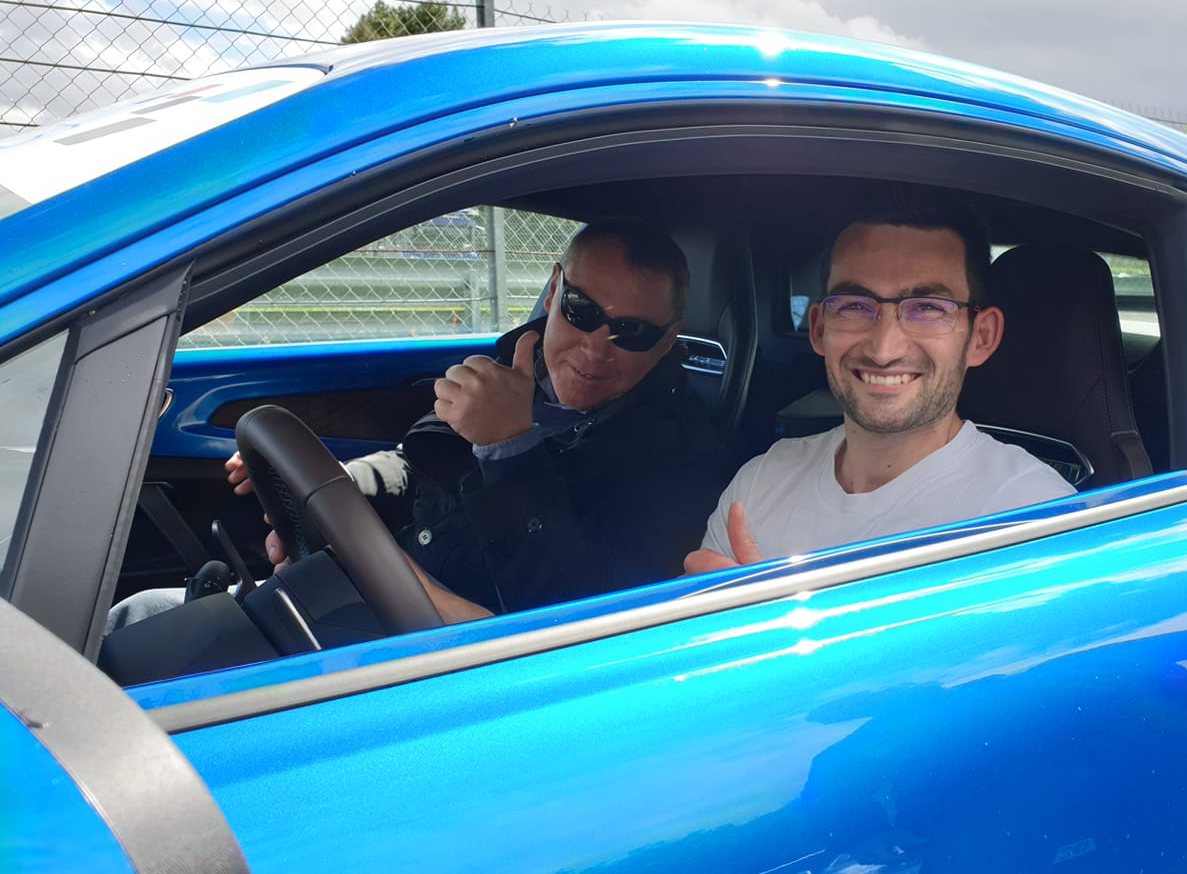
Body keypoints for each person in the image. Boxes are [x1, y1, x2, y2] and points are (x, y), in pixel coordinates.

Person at [111, 217, 728, 631]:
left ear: (669, 339)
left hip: (444, 662)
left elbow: (574, 621)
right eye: (582, 310)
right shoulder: (514, 364)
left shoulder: (682, 464)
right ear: (553, 288)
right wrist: (338, 488)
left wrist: (511, 450)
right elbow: (418, 461)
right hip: (373, 594)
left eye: (633, 332)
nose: (596, 349)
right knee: (138, 617)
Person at [685, 197, 1073, 573]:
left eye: (928, 308)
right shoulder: (759, 483)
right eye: (854, 305)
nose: (883, 350)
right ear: (819, 329)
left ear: (981, 338)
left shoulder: (1032, 519)